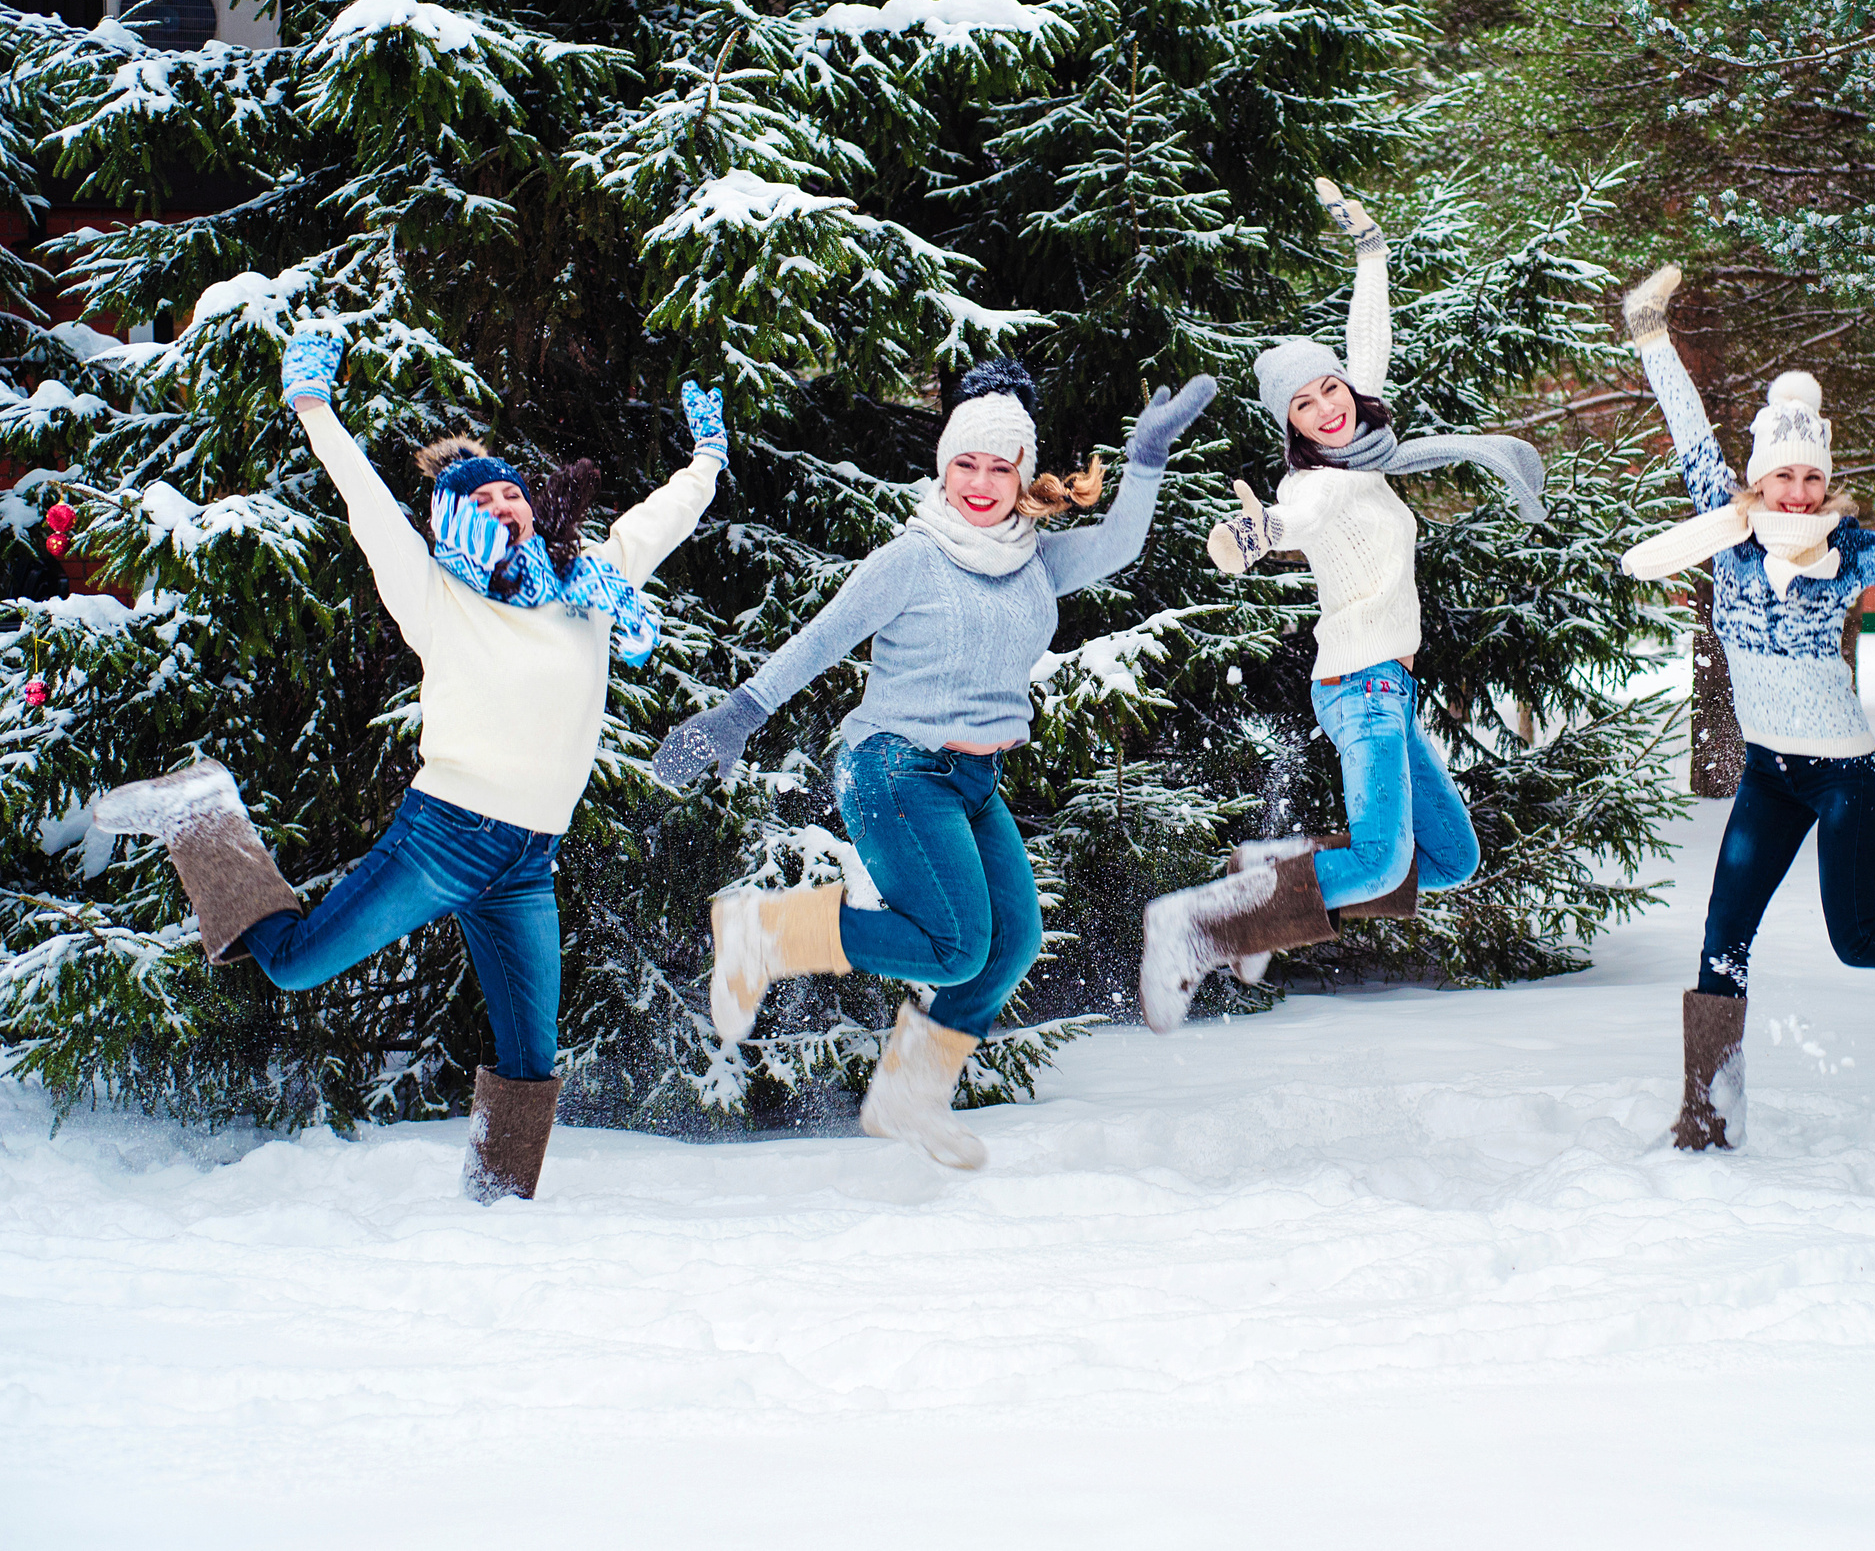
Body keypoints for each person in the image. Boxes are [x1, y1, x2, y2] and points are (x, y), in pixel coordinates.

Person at [92, 323, 728, 1202]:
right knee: (293, 962)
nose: (508, 503)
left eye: (515, 491)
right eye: (488, 497)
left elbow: (661, 518)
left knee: (529, 1058)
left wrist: (708, 455)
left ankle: (495, 1213)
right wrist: (314, 407)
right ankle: (201, 813)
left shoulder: (588, 587)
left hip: (527, 862)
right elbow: (367, 507)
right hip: (444, 838)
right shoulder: (436, 596)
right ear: (456, 515)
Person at [652, 359, 1215, 1170]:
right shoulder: (911, 558)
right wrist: (736, 716)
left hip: (973, 781)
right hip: (893, 766)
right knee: (955, 946)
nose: (981, 482)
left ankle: (912, 1092)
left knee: (1013, 941)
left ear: (1023, 473)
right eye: (966, 463)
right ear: (943, 466)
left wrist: (1148, 457)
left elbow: (1123, 543)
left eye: (1000, 465)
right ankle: (764, 935)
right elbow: (820, 641)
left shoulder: (1035, 560)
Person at [1616, 264, 1875, 1152]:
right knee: (1722, 941)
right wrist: (1652, 334)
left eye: (1811, 477)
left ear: (1825, 481)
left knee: (1861, 938)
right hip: (1770, 773)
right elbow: (1687, 428)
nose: (1797, 493)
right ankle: (1706, 1121)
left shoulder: (1854, 549)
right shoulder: (1725, 537)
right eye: (1782, 477)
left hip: (1842, 777)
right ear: (1758, 479)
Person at [1137, 180, 1547, 1030]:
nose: (1327, 404)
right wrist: (1246, 538)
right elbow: (1280, 522)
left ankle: (1272, 874)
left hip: (1387, 690)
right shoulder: (1315, 485)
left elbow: (1370, 339)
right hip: (1361, 686)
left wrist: (1369, 248)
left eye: (1329, 389)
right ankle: (1207, 920)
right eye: (1304, 403)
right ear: (1290, 425)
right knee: (1373, 862)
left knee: (1451, 857)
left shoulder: (1363, 456)